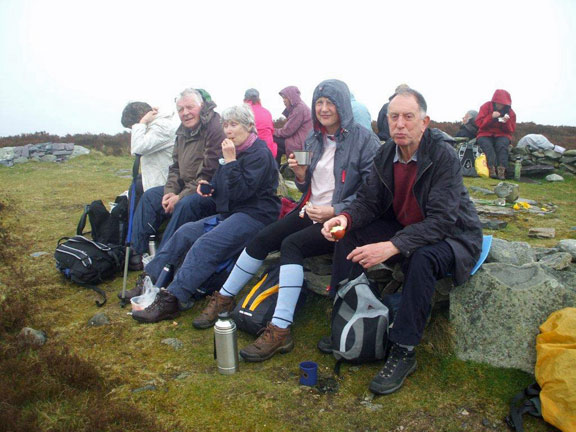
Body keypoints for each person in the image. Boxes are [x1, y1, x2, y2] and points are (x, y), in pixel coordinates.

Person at [192, 79, 381, 362]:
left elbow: (371, 193)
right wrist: (301, 175)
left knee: (291, 245)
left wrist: (335, 210)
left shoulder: (365, 140)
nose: (324, 109)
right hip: (309, 210)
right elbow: (305, 186)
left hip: (341, 219)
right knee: (262, 239)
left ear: (342, 105)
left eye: (330, 102)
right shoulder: (312, 139)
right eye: (319, 102)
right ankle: (224, 297)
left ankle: (280, 330)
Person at [320, 88, 483, 395]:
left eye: (409, 117)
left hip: (454, 236)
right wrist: (345, 219)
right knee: (348, 235)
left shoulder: (442, 156)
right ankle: (345, 316)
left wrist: (394, 245)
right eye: (394, 117)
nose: (400, 124)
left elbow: (443, 221)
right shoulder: (385, 154)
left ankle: (404, 350)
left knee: (422, 258)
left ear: (425, 122)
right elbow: (368, 202)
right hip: (408, 227)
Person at [131, 105, 280, 322]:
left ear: (249, 127)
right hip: (233, 213)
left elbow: (242, 192)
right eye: (226, 125)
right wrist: (210, 187)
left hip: (256, 216)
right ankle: (148, 282)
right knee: (184, 232)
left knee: (206, 244)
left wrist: (230, 162)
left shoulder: (260, 153)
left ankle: (173, 298)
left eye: (234, 124)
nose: (228, 130)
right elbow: (225, 187)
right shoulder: (233, 151)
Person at [128, 88, 225, 269]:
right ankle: (136, 253)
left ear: (201, 106)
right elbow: (174, 168)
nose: (185, 113)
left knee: (184, 205)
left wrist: (179, 197)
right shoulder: (182, 131)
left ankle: (161, 263)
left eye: (190, 107)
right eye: (180, 109)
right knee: (150, 196)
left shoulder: (214, 127)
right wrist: (169, 191)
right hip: (185, 188)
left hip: (210, 191)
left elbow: (209, 172)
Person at [121, 102, 178, 196]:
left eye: (132, 127)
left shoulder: (162, 127)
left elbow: (138, 148)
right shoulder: (155, 126)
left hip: (164, 188)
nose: (133, 130)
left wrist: (142, 123)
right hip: (158, 185)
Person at [475, 89, 517, 179]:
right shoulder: (485, 107)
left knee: (502, 146)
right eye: (497, 103)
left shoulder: (510, 112)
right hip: (485, 133)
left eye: (501, 104)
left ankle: (502, 171)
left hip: (502, 134)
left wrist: (506, 122)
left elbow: (511, 129)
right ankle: (491, 169)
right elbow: (479, 123)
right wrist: (491, 117)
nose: (499, 105)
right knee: (487, 146)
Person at [273, 86, 313, 164]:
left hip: (301, 146)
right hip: (304, 143)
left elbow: (287, 131)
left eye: (285, 98)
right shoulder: (300, 107)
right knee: (276, 145)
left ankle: (275, 171)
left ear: (291, 97)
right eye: (283, 98)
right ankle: (279, 169)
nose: (283, 101)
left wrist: (272, 130)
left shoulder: (299, 109)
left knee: (272, 140)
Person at [243, 88, 277, 157]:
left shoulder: (243, 112)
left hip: (251, 153)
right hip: (270, 153)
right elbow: (272, 132)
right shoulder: (267, 112)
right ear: (258, 99)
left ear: (245, 100)